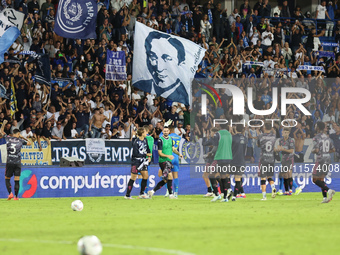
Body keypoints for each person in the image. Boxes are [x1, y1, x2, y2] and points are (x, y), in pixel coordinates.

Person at [133, 31, 189, 105]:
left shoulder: (184, 97)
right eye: (153, 58)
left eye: (167, 59)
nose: (159, 68)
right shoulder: (139, 85)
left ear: (180, 63)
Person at [148, 123, 183, 199]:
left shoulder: (171, 139)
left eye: (167, 131)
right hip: (163, 161)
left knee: (167, 179)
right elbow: (159, 153)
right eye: (164, 131)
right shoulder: (160, 140)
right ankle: (171, 195)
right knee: (169, 176)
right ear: (162, 132)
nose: (166, 132)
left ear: (169, 131)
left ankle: (153, 191)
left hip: (168, 161)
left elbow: (173, 148)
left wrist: (179, 154)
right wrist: (168, 156)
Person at [1, 120, 31, 200]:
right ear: (18, 134)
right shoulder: (21, 140)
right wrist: (23, 137)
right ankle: (16, 197)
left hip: (9, 162)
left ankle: (10, 193)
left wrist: (4, 123)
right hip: (17, 163)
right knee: (16, 180)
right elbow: (30, 143)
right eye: (19, 134)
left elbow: (1, 131)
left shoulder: (8, 138)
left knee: (7, 178)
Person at [125, 127, 152, 199]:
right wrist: (146, 154)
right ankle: (127, 195)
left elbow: (148, 149)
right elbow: (135, 153)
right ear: (142, 133)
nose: (146, 133)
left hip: (143, 161)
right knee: (133, 178)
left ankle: (142, 193)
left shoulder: (145, 140)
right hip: (136, 162)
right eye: (145, 132)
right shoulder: (136, 141)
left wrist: (149, 156)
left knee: (145, 176)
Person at [312, 122, 336, 203]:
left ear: (318, 128)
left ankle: (329, 190)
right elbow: (333, 150)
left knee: (314, 179)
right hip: (328, 159)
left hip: (320, 159)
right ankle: (325, 198)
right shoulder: (327, 138)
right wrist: (325, 151)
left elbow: (317, 150)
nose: (315, 127)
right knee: (321, 179)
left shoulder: (316, 138)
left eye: (316, 125)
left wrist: (313, 150)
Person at [275, 128, 302, 196]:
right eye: (285, 132)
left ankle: (295, 188)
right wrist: (278, 149)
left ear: (289, 133)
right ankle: (285, 190)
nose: (286, 134)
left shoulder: (291, 140)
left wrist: (283, 149)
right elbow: (279, 148)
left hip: (289, 159)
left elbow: (291, 151)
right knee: (283, 175)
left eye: (287, 132)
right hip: (283, 159)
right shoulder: (281, 140)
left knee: (285, 175)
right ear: (282, 133)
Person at [257, 122, 277, 200]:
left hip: (263, 159)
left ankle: (264, 196)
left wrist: (258, 134)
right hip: (271, 159)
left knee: (263, 178)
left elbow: (258, 145)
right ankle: (273, 187)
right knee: (269, 176)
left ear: (264, 128)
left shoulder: (261, 136)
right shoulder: (274, 136)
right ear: (271, 128)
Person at [231, 125, 247, 201]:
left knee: (236, 178)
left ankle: (234, 195)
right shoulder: (245, 138)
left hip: (234, 160)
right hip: (242, 160)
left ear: (235, 128)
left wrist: (232, 132)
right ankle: (242, 193)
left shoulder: (233, 138)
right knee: (238, 177)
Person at [164, 125, 181, 197]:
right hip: (176, 157)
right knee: (175, 175)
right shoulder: (178, 137)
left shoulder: (168, 137)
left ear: (169, 130)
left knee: (164, 174)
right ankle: (176, 193)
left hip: (169, 157)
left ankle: (168, 190)